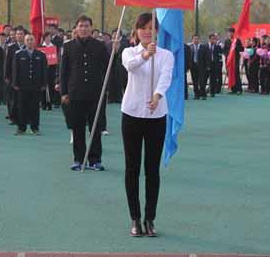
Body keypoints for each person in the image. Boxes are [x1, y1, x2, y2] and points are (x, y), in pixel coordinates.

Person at [121, 13, 174, 238]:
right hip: (132, 114)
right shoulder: (128, 52)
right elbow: (131, 66)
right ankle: (135, 218)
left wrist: (157, 95)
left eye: (151, 27)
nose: (147, 31)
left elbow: (166, 78)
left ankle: (149, 218)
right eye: (143, 27)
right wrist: (145, 54)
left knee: (152, 169)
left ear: (157, 32)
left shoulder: (166, 55)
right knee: (132, 168)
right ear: (137, 30)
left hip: (156, 115)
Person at [59, 15, 110, 171]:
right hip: (75, 93)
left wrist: (115, 52)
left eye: (86, 25)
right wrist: (64, 92)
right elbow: (64, 71)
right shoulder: (68, 46)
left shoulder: (100, 46)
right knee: (78, 128)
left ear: (91, 28)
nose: (84, 28)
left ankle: (95, 160)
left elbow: (108, 68)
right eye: (81, 26)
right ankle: (79, 159)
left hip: (95, 93)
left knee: (95, 128)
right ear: (76, 28)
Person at [12, 33, 47, 135]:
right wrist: (15, 83)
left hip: (36, 85)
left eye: (31, 40)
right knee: (21, 107)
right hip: (22, 85)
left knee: (35, 108)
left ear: (35, 41)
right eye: (27, 40)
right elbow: (15, 70)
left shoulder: (41, 54)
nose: (29, 42)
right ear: (24, 41)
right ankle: (21, 128)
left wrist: (44, 83)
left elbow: (44, 71)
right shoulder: (18, 54)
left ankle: (35, 127)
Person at [4, 27, 26, 125]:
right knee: (12, 98)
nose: (19, 36)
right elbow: (7, 63)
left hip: (25, 77)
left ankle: (24, 117)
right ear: (15, 36)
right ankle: (12, 117)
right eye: (18, 34)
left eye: (21, 34)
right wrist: (6, 76)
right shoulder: (11, 48)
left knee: (24, 98)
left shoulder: (28, 46)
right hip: (13, 77)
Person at [223, 27, 244, 94]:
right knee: (229, 74)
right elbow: (224, 50)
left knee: (236, 74)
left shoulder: (237, 40)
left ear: (234, 33)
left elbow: (241, 49)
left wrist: (236, 46)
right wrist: (228, 54)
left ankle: (239, 89)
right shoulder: (226, 41)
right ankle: (233, 89)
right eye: (229, 32)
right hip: (229, 61)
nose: (230, 34)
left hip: (235, 60)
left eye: (231, 32)